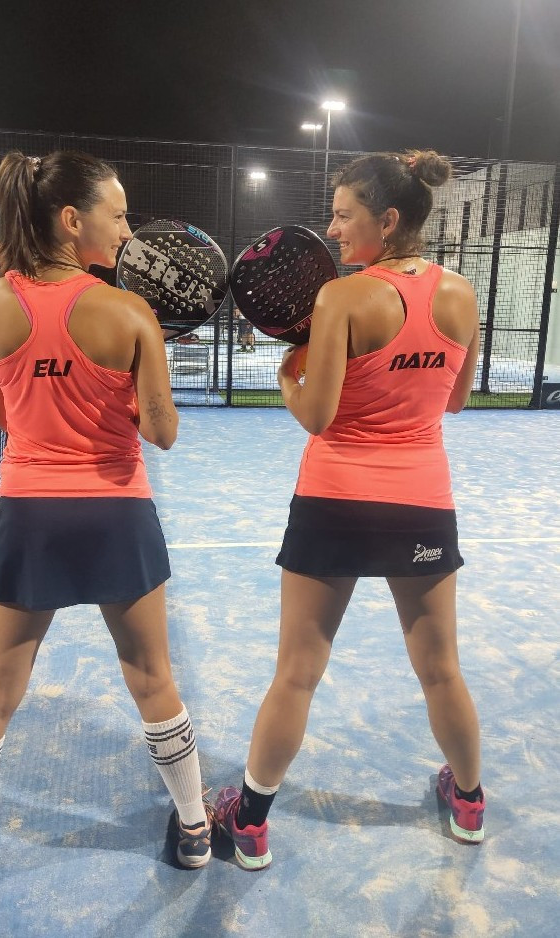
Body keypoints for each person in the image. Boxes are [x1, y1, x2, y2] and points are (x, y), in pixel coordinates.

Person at [0, 150, 212, 902]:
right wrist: (140, 375)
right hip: (118, 513)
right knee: (153, 679)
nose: (127, 231)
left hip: (32, 515)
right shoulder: (131, 313)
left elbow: (4, 417)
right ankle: (194, 827)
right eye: (118, 214)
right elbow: (162, 433)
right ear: (73, 219)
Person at [215, 150, 484, 869]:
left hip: (334, 501)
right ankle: (468, 803)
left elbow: (316, 414)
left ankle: (250, 822)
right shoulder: (461, 294)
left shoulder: (342, 298)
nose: (332, 230)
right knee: (441, 671)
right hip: (421, 504)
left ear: (386, 220)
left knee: (297, 672)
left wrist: (287, 374)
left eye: (342, 215)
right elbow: (456, 401)